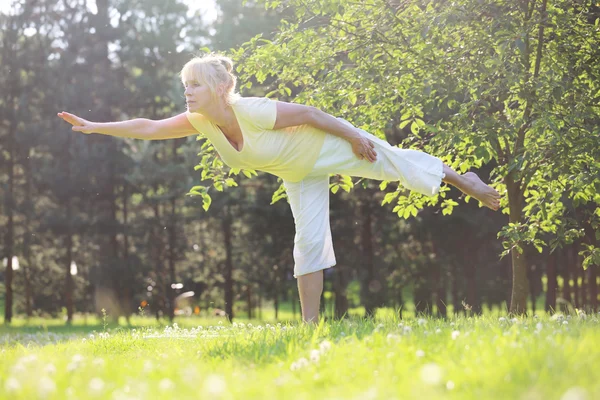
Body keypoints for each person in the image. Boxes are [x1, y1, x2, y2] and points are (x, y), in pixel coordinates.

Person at [58, 54, 501, 323]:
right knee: (307, 243)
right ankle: (310, 325)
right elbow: (150, 126)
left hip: (322, 147)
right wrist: (96, 127)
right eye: (184, 85)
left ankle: (466, 180)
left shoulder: (249, 110)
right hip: (297, 174)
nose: (187, 92)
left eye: (193, 84)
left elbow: (309, 112)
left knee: (390, 161)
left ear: (217, 88)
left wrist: (352, 136)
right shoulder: (200, 121)